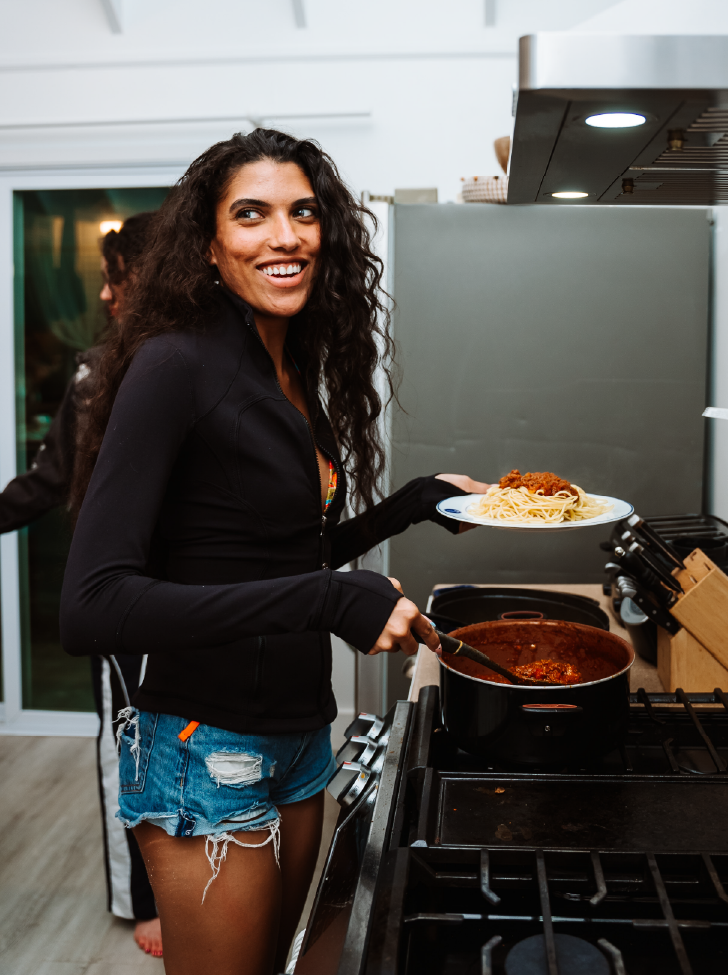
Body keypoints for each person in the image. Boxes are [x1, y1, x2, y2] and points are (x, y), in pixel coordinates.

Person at [60, 129, 488, 975]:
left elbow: (274, 551)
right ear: (210, 245)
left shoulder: (286, 366)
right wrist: (330, 600)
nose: (282, 235)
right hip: (201, 745)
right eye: (250, 214)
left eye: (302, 212)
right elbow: (93, 604)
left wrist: (412, 502)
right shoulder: (174, 365)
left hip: (299, 733)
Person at [0, 212, 165, 959]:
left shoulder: (145, 363)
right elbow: (49, 483)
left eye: (113, 276)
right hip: (132, 604)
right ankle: (144, 900)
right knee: (137, 743)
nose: (103, 292)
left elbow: (45, 481)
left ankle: (163, 894)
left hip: (151, 603)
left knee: (138, 748)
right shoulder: (102, 367)